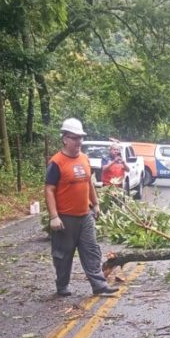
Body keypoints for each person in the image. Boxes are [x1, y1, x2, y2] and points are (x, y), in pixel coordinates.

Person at [45, 118, 119, 297]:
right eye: (75, 138)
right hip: (65, 218)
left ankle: (99, 285)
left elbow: (89, 183)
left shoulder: (84, 159)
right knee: (63, 256)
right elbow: (49, 189)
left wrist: (96, 203)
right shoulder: (56, 162)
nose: (79, 142)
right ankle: (62, 286)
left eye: (81, 138)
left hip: (85, 216)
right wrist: (54, 216)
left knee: (92, 250)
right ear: (65, 139)